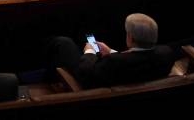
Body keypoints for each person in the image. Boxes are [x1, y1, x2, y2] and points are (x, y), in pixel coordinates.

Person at [47, 13, 175, 88]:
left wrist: (89, 52)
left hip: (93, 86)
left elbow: (86, 75)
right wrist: (112, 51)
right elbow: (138, 58)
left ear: (130, 37)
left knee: (63, 43)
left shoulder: (114, 62)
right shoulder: (166, 53)